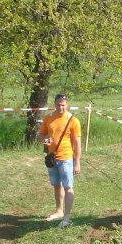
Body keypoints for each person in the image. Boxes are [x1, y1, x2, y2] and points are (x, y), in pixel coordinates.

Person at [38, 93, 82, 228]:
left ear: (67, 105)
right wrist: (44, 139)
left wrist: (77, 162)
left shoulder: (73, 120)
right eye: (58, 105)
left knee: (68, 187)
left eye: (63, 105)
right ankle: (59, 211)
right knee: (57, 185)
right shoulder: (48, 118)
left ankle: (67, 217)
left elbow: (77, 143)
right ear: (54, 104)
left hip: (66, 159)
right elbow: (41, 135)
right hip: (52, 158)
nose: (61, 108)